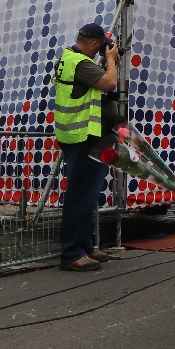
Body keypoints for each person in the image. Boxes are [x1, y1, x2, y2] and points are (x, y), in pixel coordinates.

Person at [52, 23, 121, 271]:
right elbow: (110, 82)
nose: (103, 50)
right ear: (94, 44)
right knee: (80, 196)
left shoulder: (74, 60)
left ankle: (84, 246)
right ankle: (72, 253)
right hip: (84, 136)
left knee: (88, 195)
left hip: (88, 134)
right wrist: (110, 61)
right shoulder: (79, 62)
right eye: (101, 46)